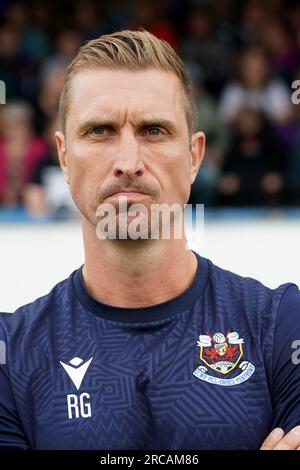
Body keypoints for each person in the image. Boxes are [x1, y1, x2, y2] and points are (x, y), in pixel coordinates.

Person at [0, 29, 300, 451]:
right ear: (64, 157)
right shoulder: (10, 357)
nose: (128, 162)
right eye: (100, 130)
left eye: (154, 131)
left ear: (194, 157)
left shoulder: (281, 327)